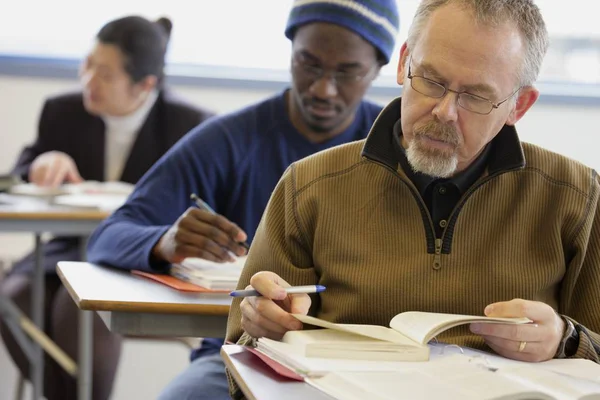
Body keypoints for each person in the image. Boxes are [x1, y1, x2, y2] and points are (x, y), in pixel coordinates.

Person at [226, 0, 600, 396]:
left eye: (475, 96)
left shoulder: (575, 197)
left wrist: (565, 338)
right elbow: (240, 360)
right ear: (404, 63)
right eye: (431, 81)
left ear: (519, 105)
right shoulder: (309, 185)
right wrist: (264, 328)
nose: (444, 111)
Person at [86, 1, 400, 399]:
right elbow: (109, 235)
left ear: (379, 68)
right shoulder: (229, 140)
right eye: (309, 64)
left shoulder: (399, 152)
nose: (323, 88)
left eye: (347, 72)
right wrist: (165, 242)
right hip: (243, 354)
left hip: (371, 361)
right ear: (290, 52)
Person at [0, 16, 214, 400]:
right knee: (11, 296)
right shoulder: (62, 110)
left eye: (105, 74)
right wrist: (41, 163)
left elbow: (200, 208)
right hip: (64, 252)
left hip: (137, 259)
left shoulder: (188, 125)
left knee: (78, 308)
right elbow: (17, 176)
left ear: (145, 85)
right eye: (87, 65)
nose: (88, 81)